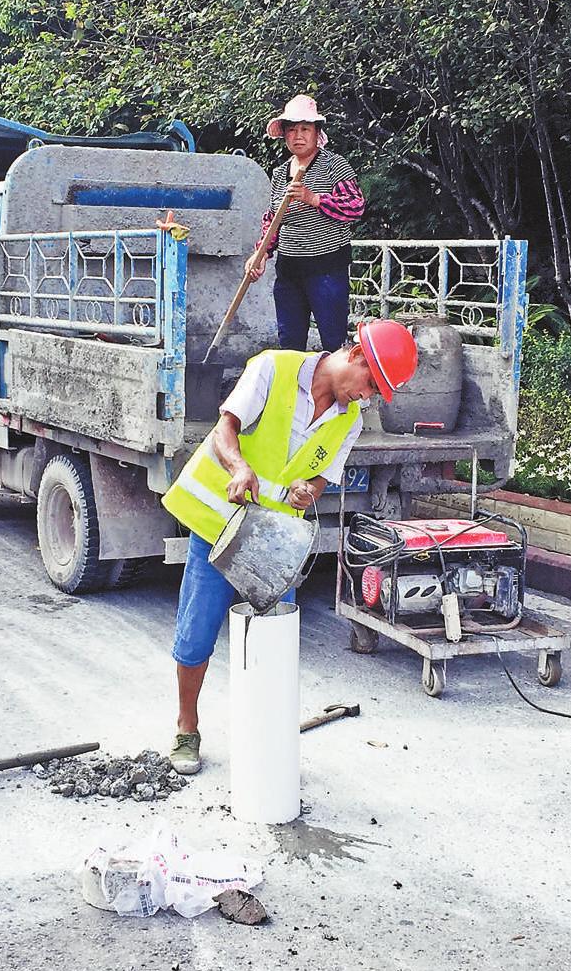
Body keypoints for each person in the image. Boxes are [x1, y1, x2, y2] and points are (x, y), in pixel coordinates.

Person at [160, 319, 420, 774]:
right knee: (197, 628)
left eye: (377, 393)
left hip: (276, 540)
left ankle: (264, 730)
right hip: (220, 526)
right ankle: (187, 726)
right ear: (356, 354)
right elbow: (225, 430)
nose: (368, 397)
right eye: (370, 385)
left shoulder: (351, 421)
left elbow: (322, 477)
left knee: (274, 638)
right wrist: (239, 467)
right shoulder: (272, 369)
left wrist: (310, 492)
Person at [243, 94, 365, 352]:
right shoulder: (279, 174)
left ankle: (336, 392)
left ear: (316, 132)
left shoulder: (335, 166)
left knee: (334, 343)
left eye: (305, 129)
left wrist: (315, 199)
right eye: (292, 130)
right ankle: (295, 392)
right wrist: (261, 254)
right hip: (289, 270)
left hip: (327, 269)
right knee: (289, 344)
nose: (298, 136)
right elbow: (272, 221)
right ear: (284, 135)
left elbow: (356, 207)